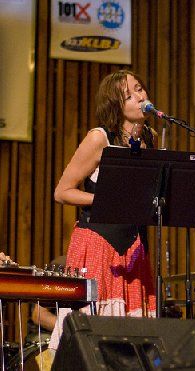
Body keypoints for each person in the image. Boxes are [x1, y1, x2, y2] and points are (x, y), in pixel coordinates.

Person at [49, 70, 157, 350]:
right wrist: (107, 200)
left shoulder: (150, 138)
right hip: (98, 244)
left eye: (140, 88)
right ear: (115, 105)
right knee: (94, 339)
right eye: (130, 93)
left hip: (133, 247)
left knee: (131, 344)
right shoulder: (100, 138)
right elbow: (62, 192)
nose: (140, 95)